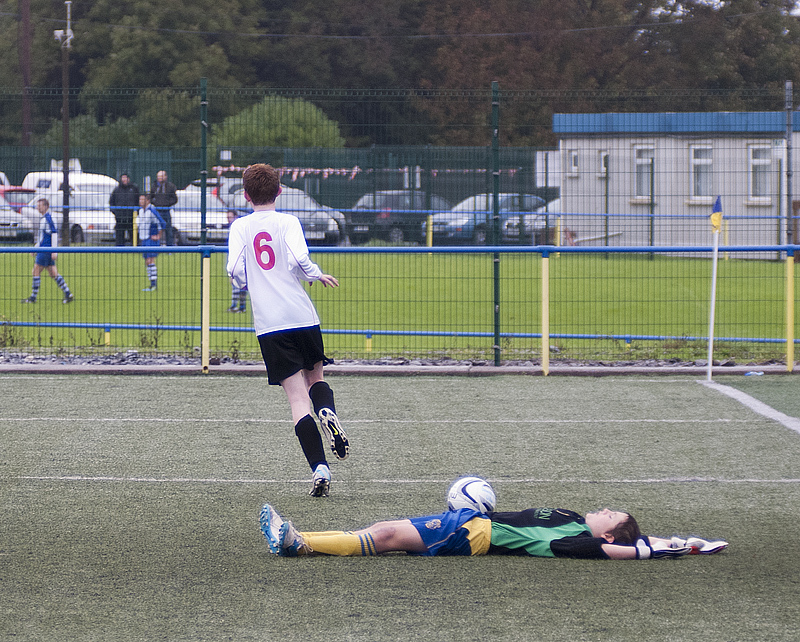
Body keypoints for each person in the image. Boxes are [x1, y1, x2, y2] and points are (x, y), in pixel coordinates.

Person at [226, 163, 348, 498]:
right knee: (317, 380)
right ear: (279, 191)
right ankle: (329, 412)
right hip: (302, 316)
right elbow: (299, 258)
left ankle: (320, 469)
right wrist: (316, 274)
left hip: (270, 325)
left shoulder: (240, 227)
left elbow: (234, 269)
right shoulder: (288, 221)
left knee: (296, 400)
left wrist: (247, 282)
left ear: (247, 195)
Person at [260, 502, 728, 560]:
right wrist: (678, 541)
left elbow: (616, 552)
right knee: (384, 532)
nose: (605, 508)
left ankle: (298, 543)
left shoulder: (575, 542)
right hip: (470, 525)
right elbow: (637, 540)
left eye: (613, 514)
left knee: (384, 536)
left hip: (473, 535)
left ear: (607, 536)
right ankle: (300, 542)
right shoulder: (571, 519)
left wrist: (654, 552)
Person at [21, 198, 74, 304]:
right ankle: (68, 293)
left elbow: (54, 234)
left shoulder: (48, 219)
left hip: (45, 250)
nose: (37, 207)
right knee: (53, 273)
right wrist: (35, 248)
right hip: (44, 249)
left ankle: (33, 298)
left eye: (39, 205)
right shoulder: (45, 219)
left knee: (35, 271)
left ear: (46, 206)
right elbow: (42, 237)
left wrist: (54, 251)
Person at [137, 193, 166, 292]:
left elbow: (162, 223)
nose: (140, 202)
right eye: (140, 199)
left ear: (147, 201)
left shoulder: (152, 211)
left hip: (151, 239)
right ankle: (151, 284)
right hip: (144, 239)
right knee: (147, 261)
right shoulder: (140, 211)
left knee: (150, 260)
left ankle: (154, 285)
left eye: (142, 200)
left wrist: (158, 236)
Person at [109, 173, 140, 246]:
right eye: (123, 178)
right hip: (120, 217)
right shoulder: (116, 190)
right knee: (119, 234)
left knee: (133, 234)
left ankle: (135, 247)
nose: (124, 179)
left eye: (125, 178)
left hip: (131, 217)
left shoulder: (134, 189)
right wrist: (116, 212)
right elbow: (111, 202)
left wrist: (136, 212)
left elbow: (138, 201)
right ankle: (119, 249)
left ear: (128, 179)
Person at [226, 210, 247, 313]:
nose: (228, 219)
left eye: (230, 217)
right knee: (241, 285)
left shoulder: (236, 228)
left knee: (237, 283)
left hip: (241, 259)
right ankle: (240, 307)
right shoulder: (238, 227)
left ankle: (237, 306)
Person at [149, 170, 177, 245]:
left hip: (166, 211)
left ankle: (169, 248)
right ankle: (155, 246)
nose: (159, 178)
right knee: (155, 229)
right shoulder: (154, 186)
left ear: (165, 177)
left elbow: (174, 199)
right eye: (158, 176)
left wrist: (167, 204)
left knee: (168, 230)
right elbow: (150, 197)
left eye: (161, 176)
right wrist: (155, 203)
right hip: (157, 211)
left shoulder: (170, 186)